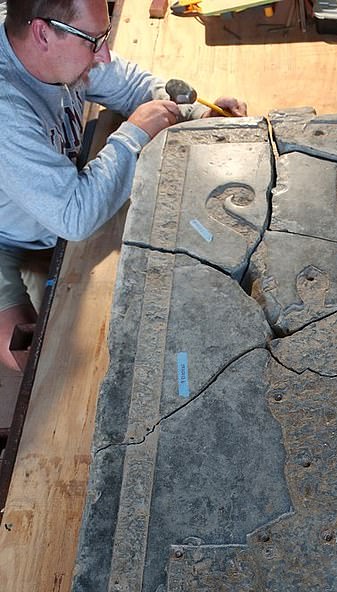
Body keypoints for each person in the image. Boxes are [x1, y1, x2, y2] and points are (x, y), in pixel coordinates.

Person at [0, 0, 246, 371]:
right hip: (4, 234)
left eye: (104, 37)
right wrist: (134, 134)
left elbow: (130, 84)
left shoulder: (56, 48)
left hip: (43, 206)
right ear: (42, 33)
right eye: (94, 41)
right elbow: (74, 216)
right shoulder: (7, 108)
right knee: (37, 361)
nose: (104, 54)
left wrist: (195, 111)